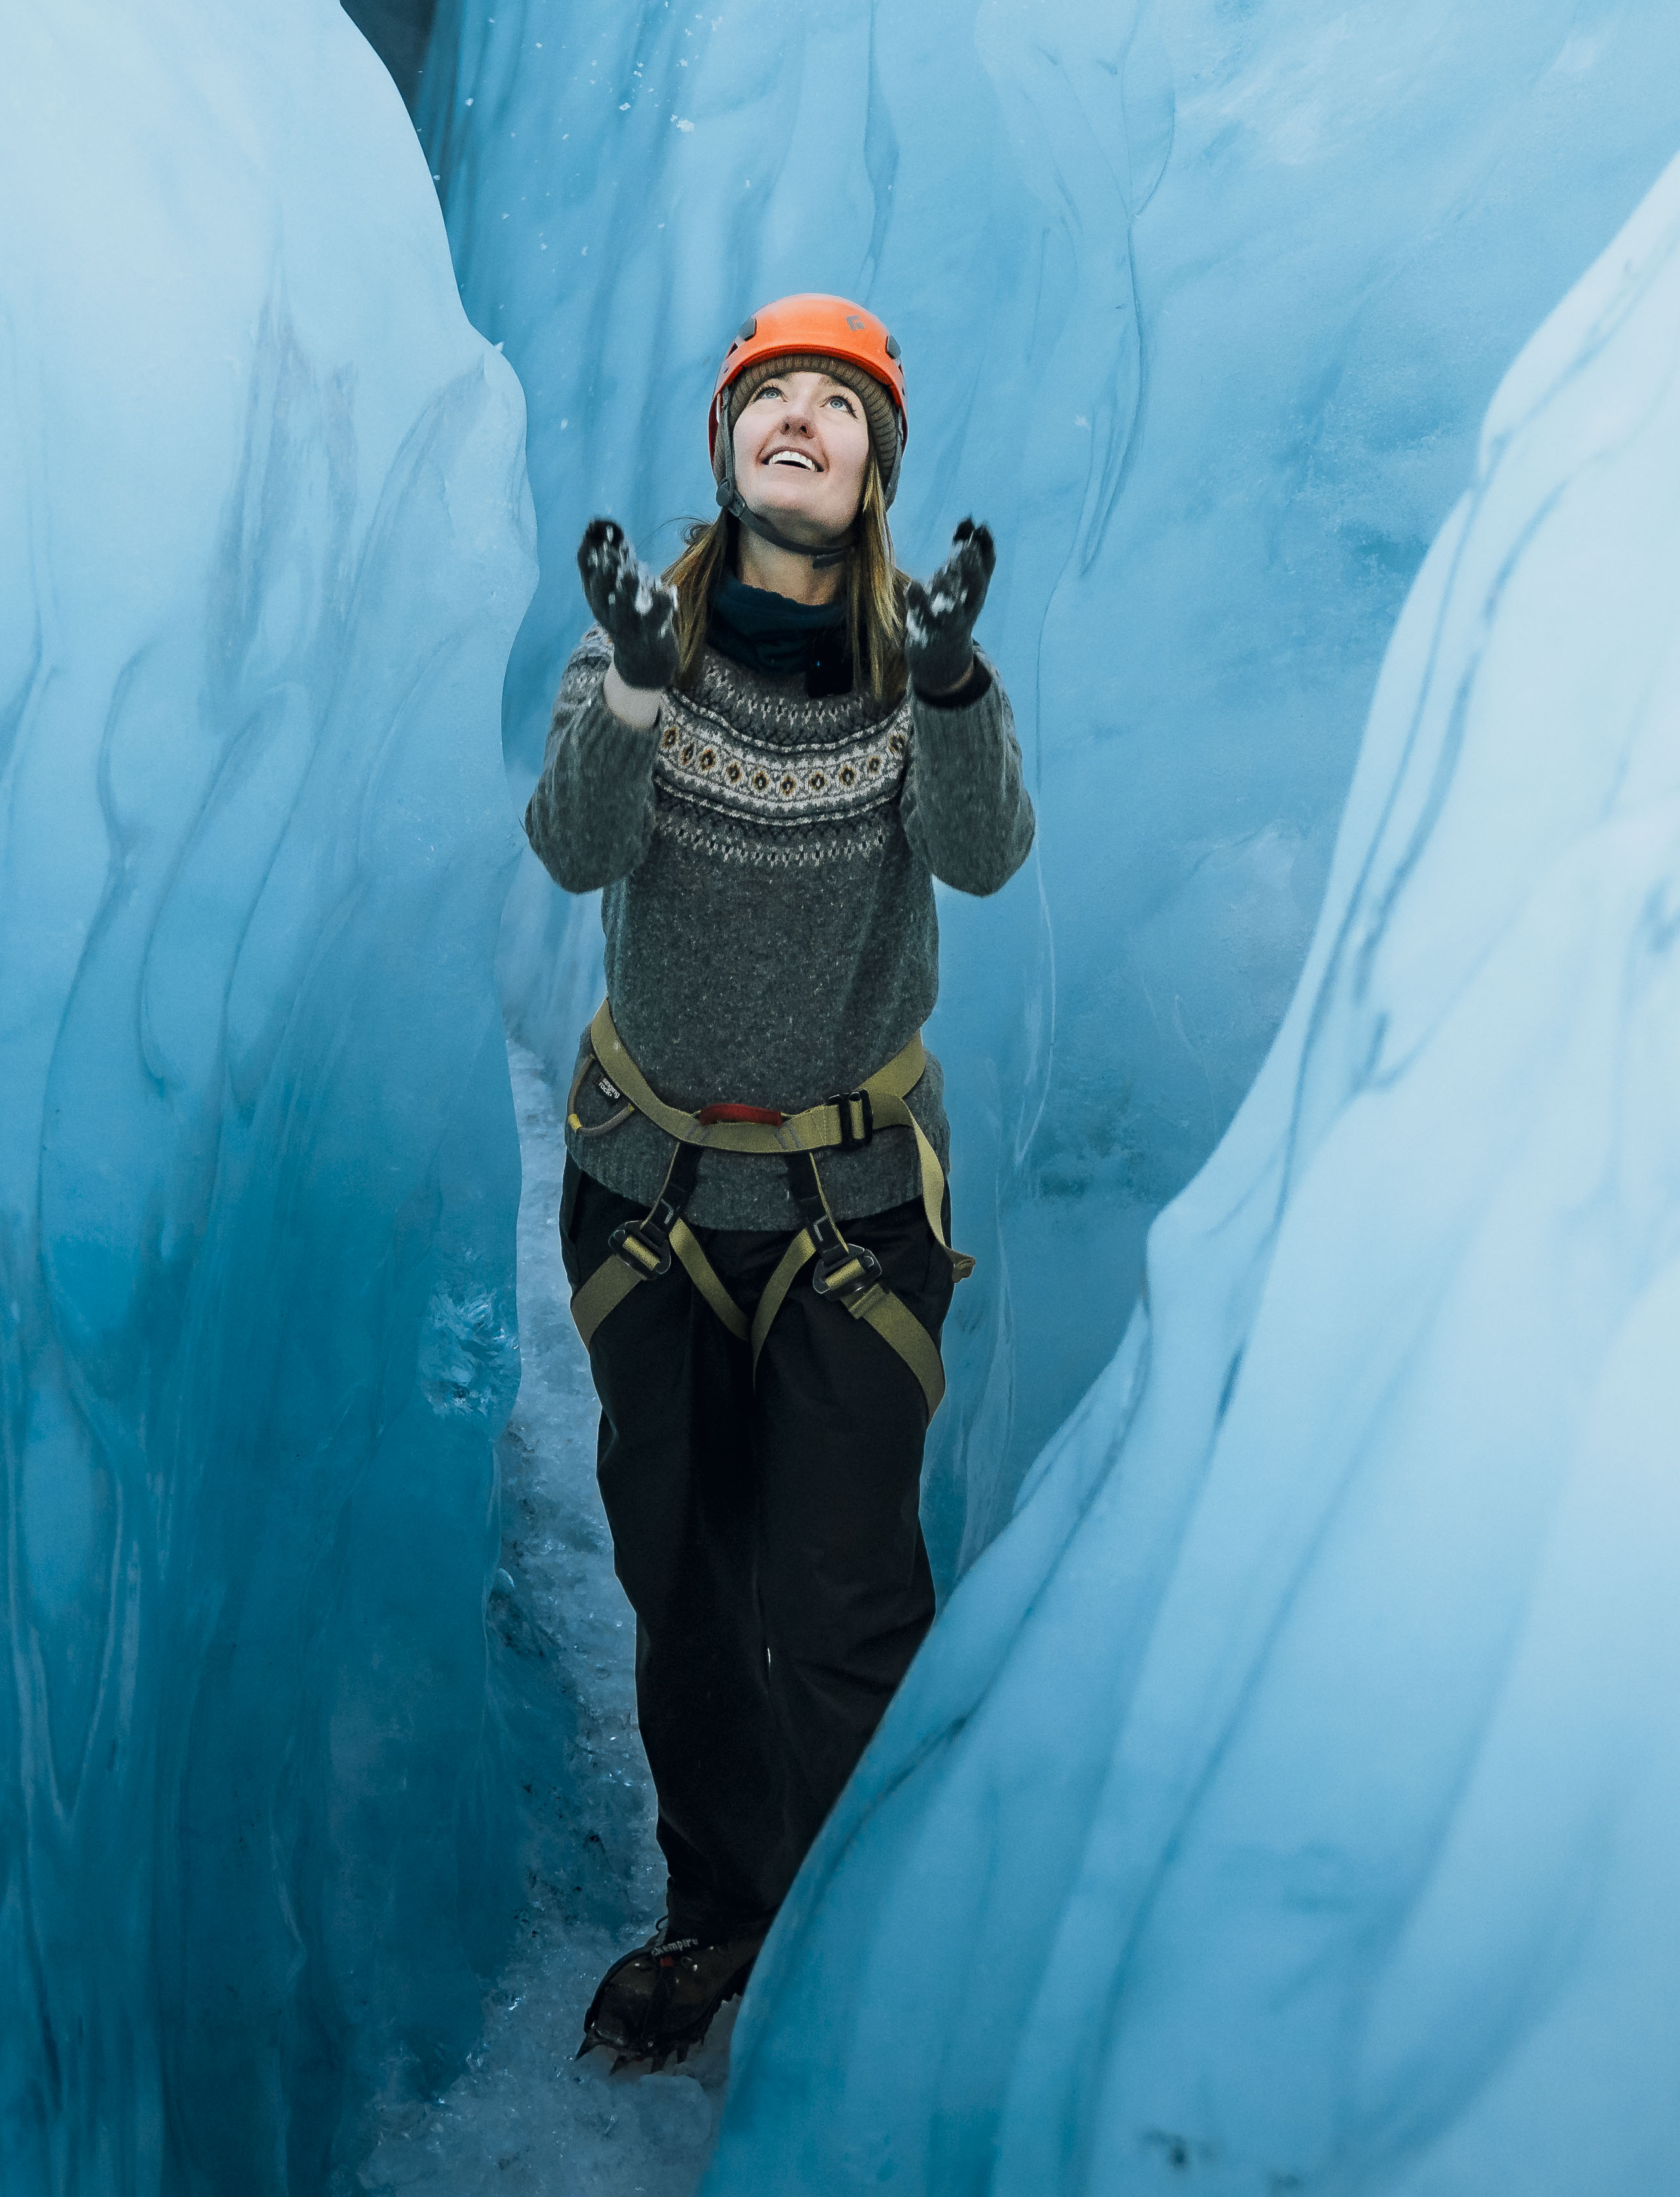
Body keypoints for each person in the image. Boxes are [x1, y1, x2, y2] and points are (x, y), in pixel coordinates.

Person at [524, 290, 1031, 2079]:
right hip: (654, 1195)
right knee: (685, 1578)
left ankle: (872, 1945)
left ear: (875, 462)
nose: (799, 417)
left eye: (839, 401)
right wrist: (644, 684)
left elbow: (985, 855)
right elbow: (574, 841)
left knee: (837, 1597)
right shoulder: (634, 658)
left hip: (849, 1213)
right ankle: (722, 1908)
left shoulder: (917, 678)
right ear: (728, 444)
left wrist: (955, 680)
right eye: (770, 396)